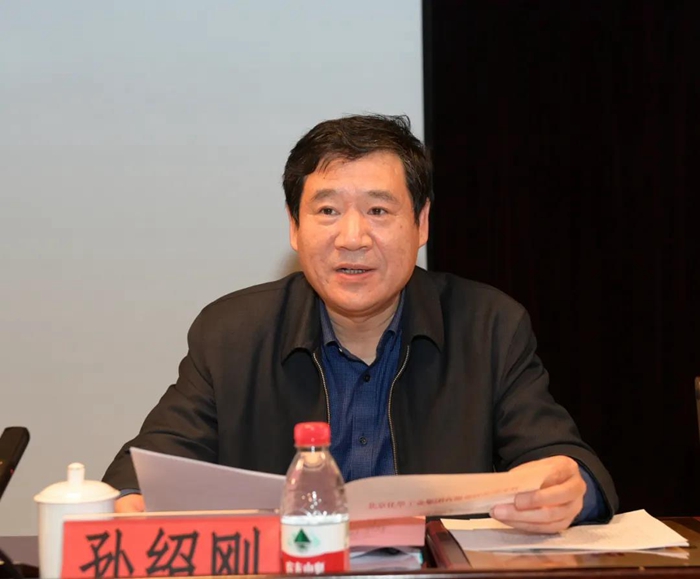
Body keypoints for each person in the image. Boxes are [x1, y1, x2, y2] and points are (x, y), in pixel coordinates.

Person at [104, 114, 618, 532]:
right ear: (294, 226)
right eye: (327, 211)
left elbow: (567, 463)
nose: (352, 238)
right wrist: (132, 496)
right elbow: (147, 463)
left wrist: (571, 491)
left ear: (421, 223)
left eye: (378, 211)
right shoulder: (231, 333)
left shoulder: (488, 326)